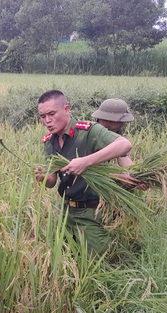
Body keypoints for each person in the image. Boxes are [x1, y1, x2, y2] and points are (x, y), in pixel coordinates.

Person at [34, 90, 140, 255]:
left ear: (66, 109)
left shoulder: (89, 132)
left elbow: (124, 145)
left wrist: (85, 161)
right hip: (67, 212)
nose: (47, 120)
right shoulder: (50, 141)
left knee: (95, 266)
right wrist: (43, 178)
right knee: (64, 260)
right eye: (42, 116)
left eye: (52, 114)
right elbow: (52, 181)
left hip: (92, 212)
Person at [92, 98, 135, 167]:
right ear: (109, 121)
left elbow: (122, 157)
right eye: (121, 121)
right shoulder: (89, 134)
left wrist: (134, 172)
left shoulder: (114, 131)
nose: (123, 124)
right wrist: (116, 175)